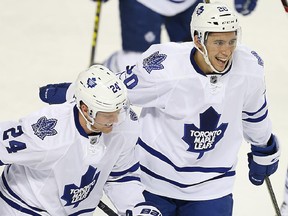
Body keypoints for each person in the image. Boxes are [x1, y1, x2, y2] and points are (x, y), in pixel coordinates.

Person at [39, 2, 280, 215]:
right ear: (198, 39)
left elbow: (254, 112)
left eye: (231, 41)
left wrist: (264, 146)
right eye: (218, 42)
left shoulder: (249, 67)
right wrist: (71, 93)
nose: (226, 51)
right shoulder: (165, 67)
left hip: (212, 186)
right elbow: (117, 91)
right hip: (152, 181)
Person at [0, 65, 162, 216]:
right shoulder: (49, 133)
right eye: (107, 114)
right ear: (86, 109)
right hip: (23, 207)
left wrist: (135, 207)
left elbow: (121, 176)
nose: (116, 119)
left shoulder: (125, 126)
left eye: (120, 110)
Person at [94, 0, 258, 72]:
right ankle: (108, 72)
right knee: (134, 61)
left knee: (198, 55)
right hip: (144, 3)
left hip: (187, 2)